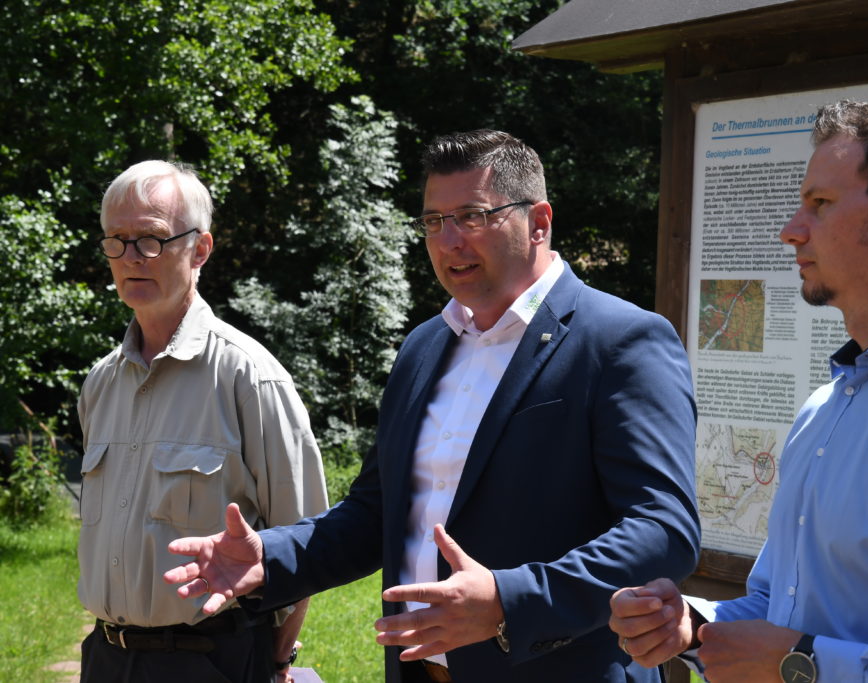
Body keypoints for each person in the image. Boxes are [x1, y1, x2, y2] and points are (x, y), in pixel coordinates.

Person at [163, 129, 701, 682]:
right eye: (433, 222)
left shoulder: (620, 341)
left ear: (539, 222)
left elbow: (663, 529)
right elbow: (377, 512)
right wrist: (269, 558)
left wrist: (507, 601)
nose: (448, 242)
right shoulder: (424, 346)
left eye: (471, 216)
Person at [609, 99, 868, 682]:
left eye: (820, 204)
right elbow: (779, 607)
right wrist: (692, 624)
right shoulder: (826, 405)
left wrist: (797, 663)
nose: (791, 229)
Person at [78, 160, 329, 683]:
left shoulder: (250, 377)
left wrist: (278, 659)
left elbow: (307, 542)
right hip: (105, 658)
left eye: (151, 238)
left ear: (201, 249)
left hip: (212, 661)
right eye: (116, 240)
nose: (130, 257)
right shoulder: (101, 383)